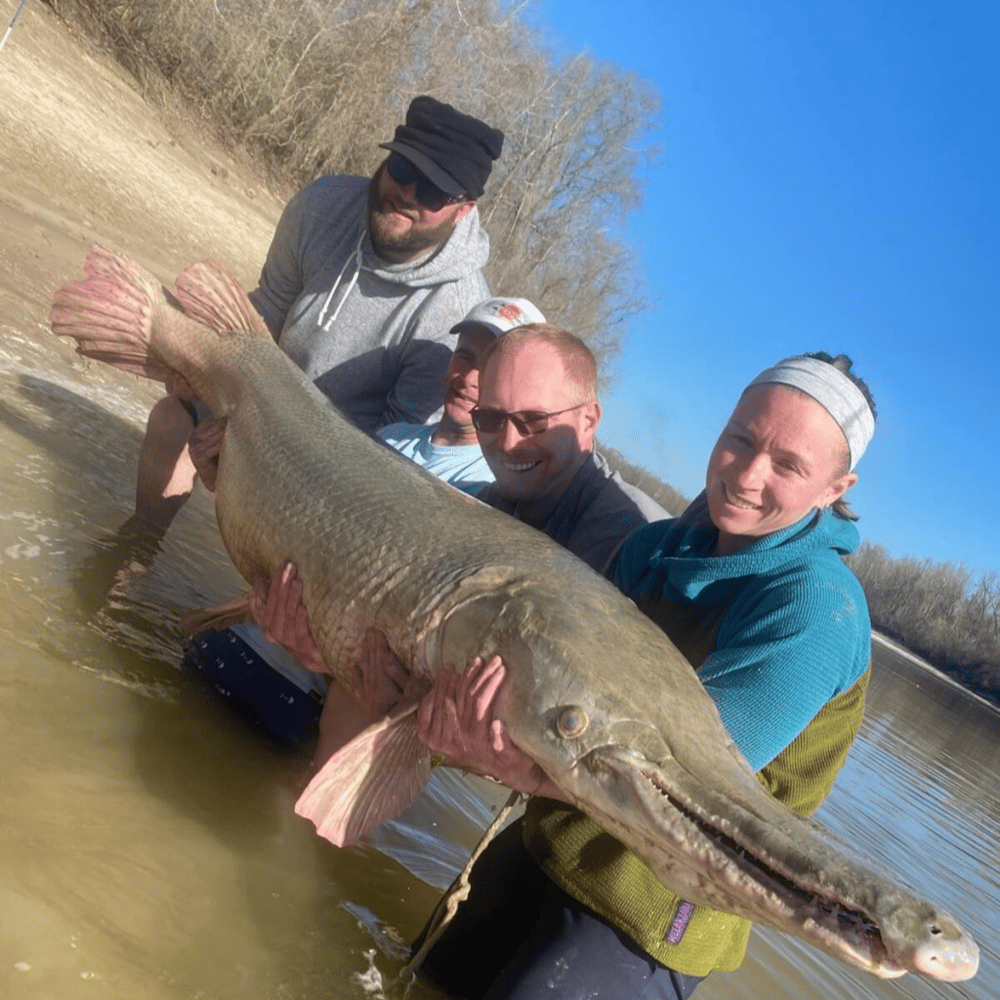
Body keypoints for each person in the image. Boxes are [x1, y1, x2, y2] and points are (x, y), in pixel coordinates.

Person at [411, 351, 877, 1000]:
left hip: (646, 911)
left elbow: (682, 789)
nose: (746, 473)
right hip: (550, 836)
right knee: (420, 979)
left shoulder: (816, 608)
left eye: (788, 464)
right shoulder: (653, 549)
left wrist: (502, 761)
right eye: (739, 440)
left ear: (835, 489)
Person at [134, 95, 504, 531]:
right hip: (259, 390)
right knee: (171, 417)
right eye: (403, 169)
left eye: (432, 190)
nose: (406, 192)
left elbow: (387, 452)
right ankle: (137, 549)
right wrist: (203, 371)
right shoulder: (322, 204)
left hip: (332, 464)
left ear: (464, 209)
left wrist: (264, 457)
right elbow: (268, 307)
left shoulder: (455, 316)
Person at [473, 324, 670, 572]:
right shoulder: (488, 504)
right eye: (490, 418)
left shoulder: (637, 549)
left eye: (533, 419)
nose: (508, 443)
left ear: (588, 420)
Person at [377, 297, 546, 496]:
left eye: (491, 369)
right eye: (465, 357)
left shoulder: (493, 487)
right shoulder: (390, 437)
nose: (468, 379)